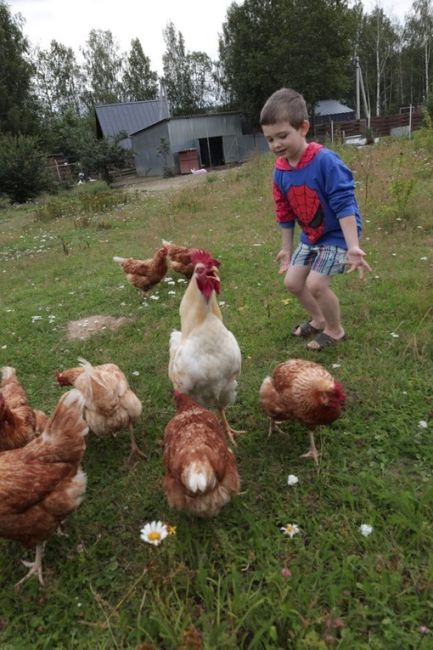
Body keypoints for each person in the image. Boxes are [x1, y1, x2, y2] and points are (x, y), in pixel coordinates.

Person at [260, 88, 372, 351]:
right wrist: (286, 249)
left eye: (282, 135)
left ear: (303, 128)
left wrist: (353, 246)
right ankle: (319, 319)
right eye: (269, 139)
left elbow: (345, 204)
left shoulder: (325, 161)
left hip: (338, 235)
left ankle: (335, 330)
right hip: (310, 236)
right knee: (293, 282)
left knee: (316, 283)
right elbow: (284, 212)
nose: (276, 144)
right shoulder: (280, 170)